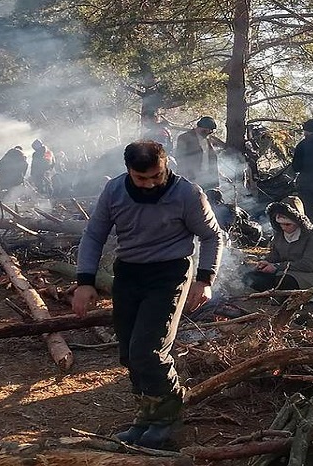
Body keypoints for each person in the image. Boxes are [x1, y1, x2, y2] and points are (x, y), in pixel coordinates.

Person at [72, 140, 223, 449]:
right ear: (129, 170)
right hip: (129, 274)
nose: (151, 183)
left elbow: (211, 235)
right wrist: (85, 281)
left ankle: (167, 416)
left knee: (148, 350)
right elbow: (94, 235)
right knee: (129, 353)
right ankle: (146, 416)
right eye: (142, 178)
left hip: (169, 274)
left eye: (157, 175)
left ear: (165, 165)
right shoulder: (114, 191)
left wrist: (205, 279)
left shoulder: (187, 194)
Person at [242, 196, 313, 292]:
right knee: (250, 277)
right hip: (284, 271)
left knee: (285, 281)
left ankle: (281, 292)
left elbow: (308, 265)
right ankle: (276, 291)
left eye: (287, 224)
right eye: (280, 224)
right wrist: (266, 262)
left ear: (298, 222)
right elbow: (275, 255)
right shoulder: (279, 233)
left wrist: (276, 267)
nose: (283, 227)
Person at [174, 116, 219, 189]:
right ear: (201, 127)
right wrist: (188, 175)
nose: (210, 132)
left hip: (207, 178)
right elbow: (180, 157)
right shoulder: (184, 138)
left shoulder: (208, 140)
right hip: (191, 178)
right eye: (208, 129)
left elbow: (211, 158)